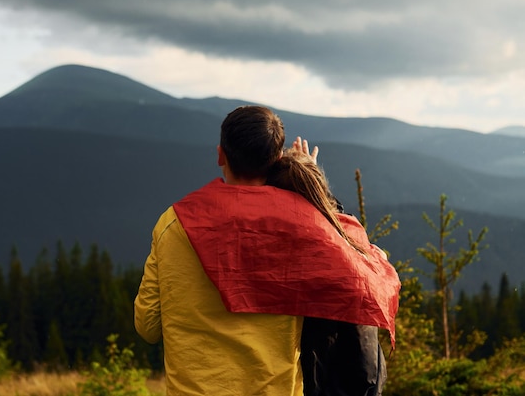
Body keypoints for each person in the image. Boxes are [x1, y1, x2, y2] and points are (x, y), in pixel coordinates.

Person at [134, 105, 400, 396]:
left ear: (220, 154)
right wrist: (315, 194)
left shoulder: (173, 223)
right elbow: (364, 277)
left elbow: (148, 326)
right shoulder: (305, 226)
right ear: (276, 160)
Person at [267, 141, 388, 396]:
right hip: (359, 386)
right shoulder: (354, 251)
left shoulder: (289, 263)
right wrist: (310, 176)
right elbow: (328, 219)